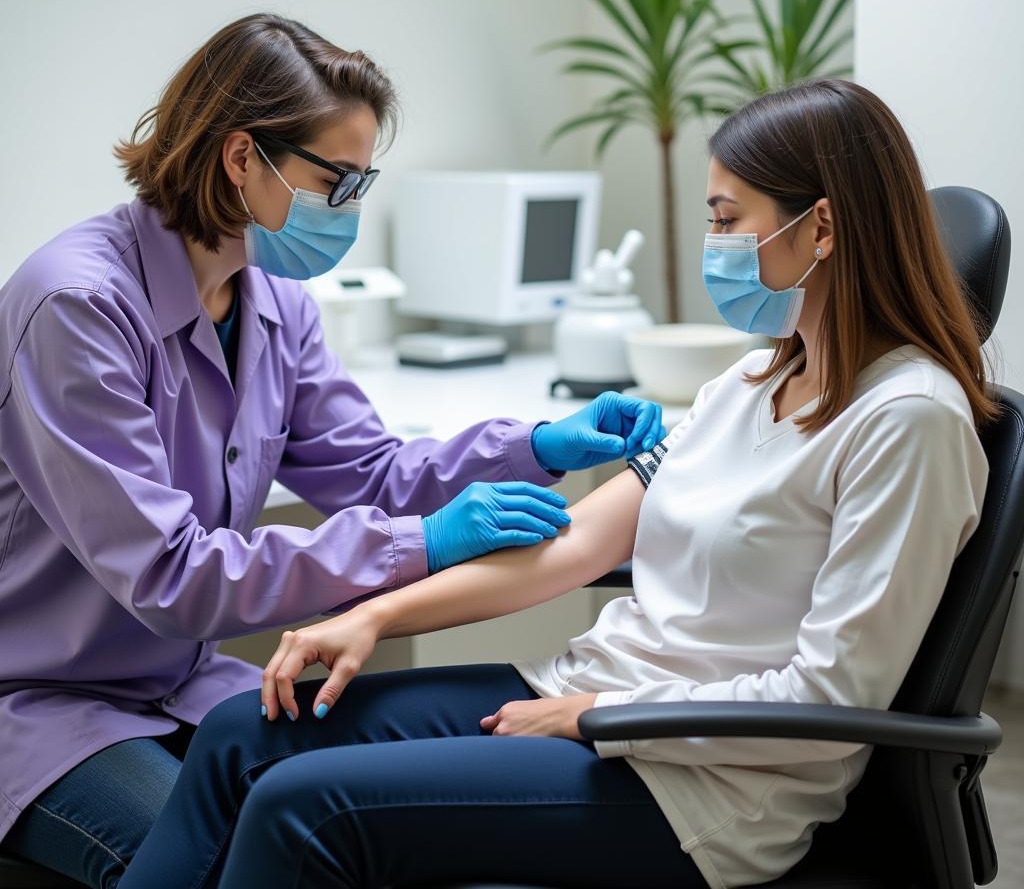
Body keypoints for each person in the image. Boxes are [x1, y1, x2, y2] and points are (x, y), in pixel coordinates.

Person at [117, 77, 998, 889]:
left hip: (706, 785)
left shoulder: (908, 421)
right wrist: (369, 617)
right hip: (591, 693)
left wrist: (597, 717)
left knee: (306, 808)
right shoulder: (754, 382)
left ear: (824, 228)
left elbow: (831, 696)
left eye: (730, 221)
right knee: (244, 735)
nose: (715, 248)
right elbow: (574, 545)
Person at [0, 12, 667, 887]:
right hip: (45, 707)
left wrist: (536, 445)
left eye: (362, 181)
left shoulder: (272, 301)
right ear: (243, 158)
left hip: (187, 683)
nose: (350, 207)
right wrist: (422, 544)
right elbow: (173, 576)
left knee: (377, 835)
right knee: (231, 865)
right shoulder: (79, 307)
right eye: (336, 181)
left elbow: (373, 474)